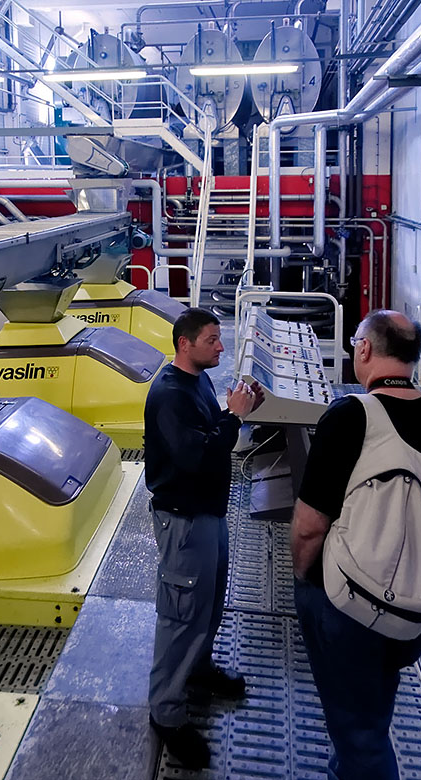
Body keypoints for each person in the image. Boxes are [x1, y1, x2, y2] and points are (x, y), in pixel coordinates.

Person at [291, 309, 421, 780]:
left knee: (360, 735)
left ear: (364, 350)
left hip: (353, 601)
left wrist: (305, 582)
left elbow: (310, 526)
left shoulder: (351, 415)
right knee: (373, 697)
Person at [145, 307, 264, 770]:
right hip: (184, 517)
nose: (221, 347)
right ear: (185, 344)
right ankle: (167, 714)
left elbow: (208, 428)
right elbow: (195, 455)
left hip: (208, 513)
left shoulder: (196, 381)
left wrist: (236, 409)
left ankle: (198, 670)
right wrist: (234, 419)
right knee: (180, 614)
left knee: (208, 602)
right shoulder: (168, 394)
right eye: (212, 340)